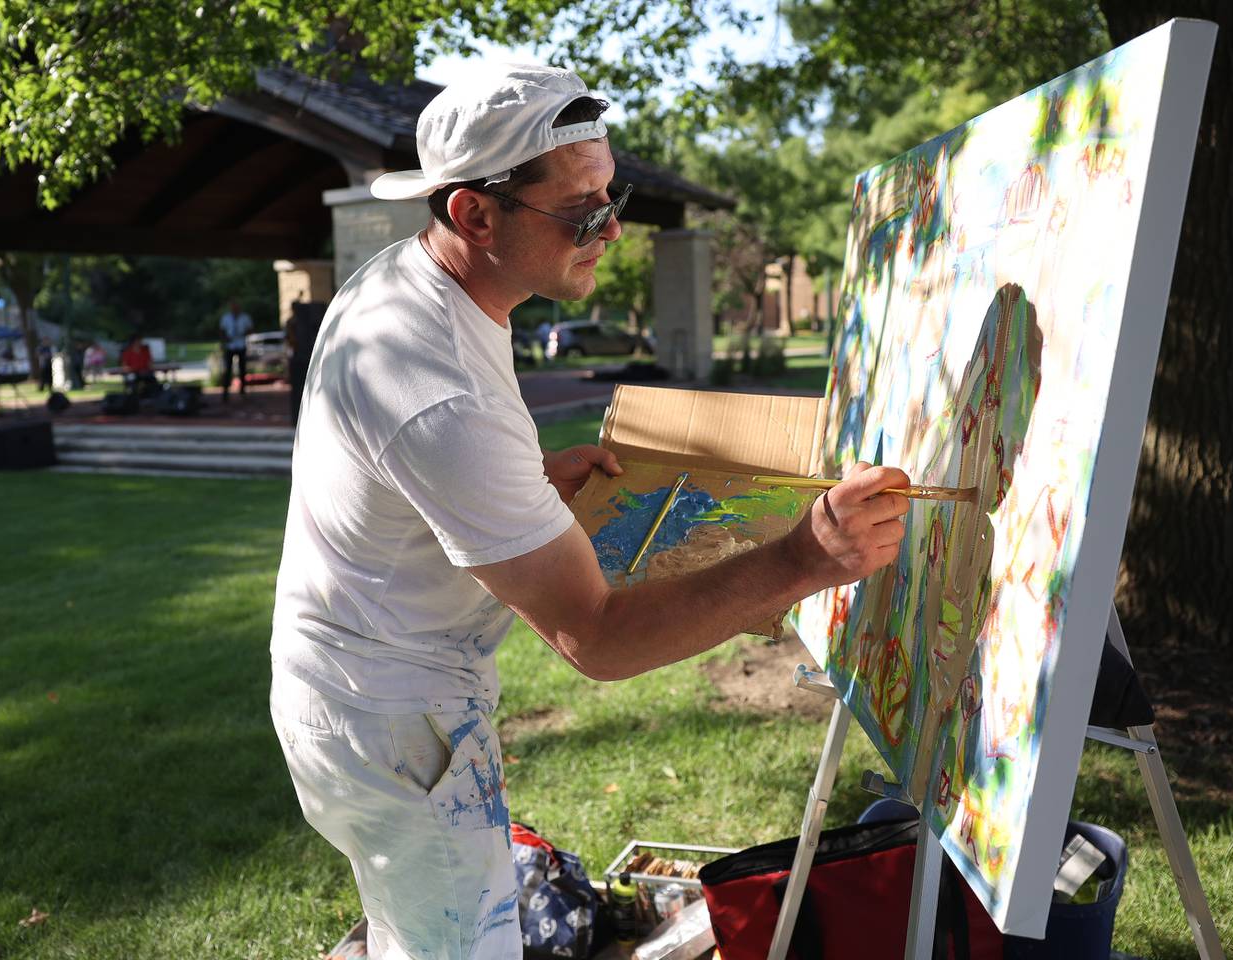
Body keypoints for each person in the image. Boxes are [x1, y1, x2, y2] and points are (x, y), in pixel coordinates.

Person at [268, 63, 911, 959]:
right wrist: (805, 556)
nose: (611, 228)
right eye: (581, 211)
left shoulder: (410, 284)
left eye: (615, 198)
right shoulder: (439, 387)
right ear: (474, 213)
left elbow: (415, 469)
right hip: (393, 720)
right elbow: (597, 639)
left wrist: (523, 479)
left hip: (364, 693)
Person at [219, 300, 254, 402]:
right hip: (230, 346)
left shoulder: (245, 317)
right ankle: (225, 393)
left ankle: (242, 391)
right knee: (227, 369)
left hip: (241, 344)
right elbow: (222, 330)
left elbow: (251, 329)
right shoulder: (226, 318)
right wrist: (225, 339)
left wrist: (243, 333)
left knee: (242, 369)